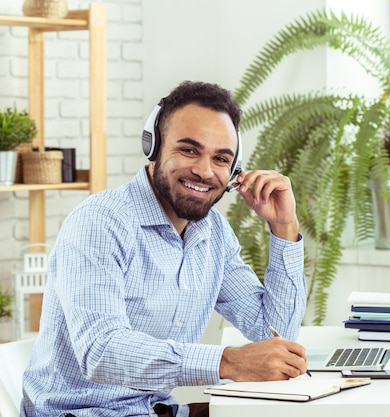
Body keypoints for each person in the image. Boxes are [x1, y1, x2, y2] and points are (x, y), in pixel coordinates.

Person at [21, 80, 308, 417]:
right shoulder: (99, 223)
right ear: (153, 147)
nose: (204, 171)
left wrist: (284, 227)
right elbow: (100, 351)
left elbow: (275, 336)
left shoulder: (213, 233)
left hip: (156, 410)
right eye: (189, 150)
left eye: (220, 158)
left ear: (234, 171)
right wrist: (227, 362)